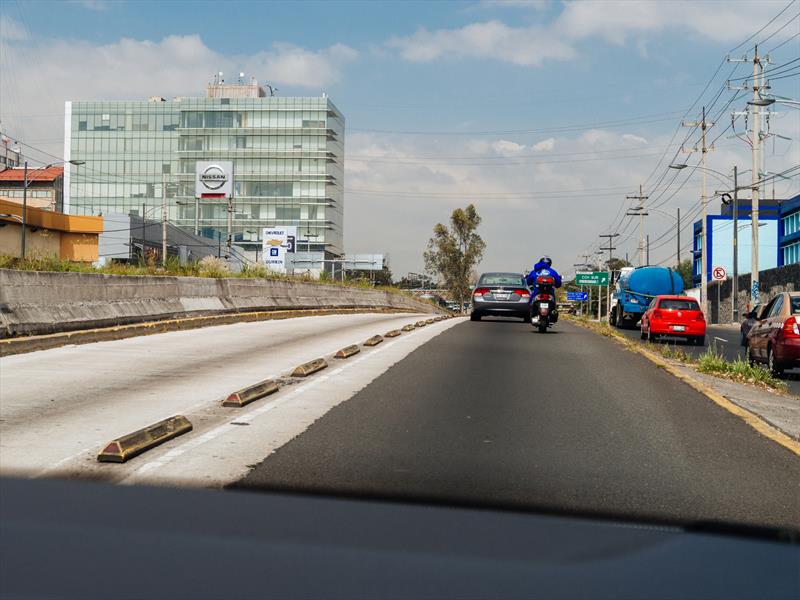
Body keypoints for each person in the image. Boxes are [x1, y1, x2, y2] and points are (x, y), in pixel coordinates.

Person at [527, 256, 562, 321]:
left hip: (537, 291)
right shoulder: (553, 272)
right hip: (550, 292)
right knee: (554, 304)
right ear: (550, 263)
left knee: (531, 302)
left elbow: (528, 281)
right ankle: (553, 313)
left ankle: (531, 314)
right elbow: (558, 284)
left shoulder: (535, 271)